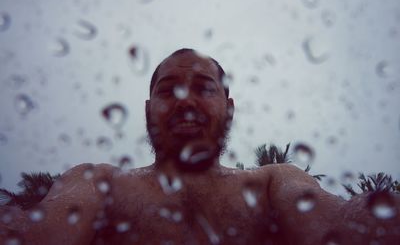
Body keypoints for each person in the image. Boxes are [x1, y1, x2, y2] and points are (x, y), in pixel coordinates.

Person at [0, 48, 399, 245]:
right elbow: (38, 234)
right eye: (167, 90)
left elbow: (341, 224)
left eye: (203, 88)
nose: (185, 100)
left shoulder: (273, 181)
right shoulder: (99, 181)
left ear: (228, 109)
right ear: (147, 108)